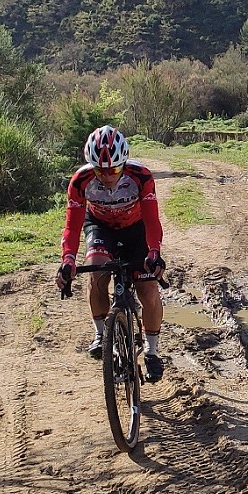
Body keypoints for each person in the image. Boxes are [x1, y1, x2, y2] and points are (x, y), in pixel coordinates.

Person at [54, 125, 167, 381]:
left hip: (136, 230)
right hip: (101, 227)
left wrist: (154, 252)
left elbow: (152, 220)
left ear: (123, 163)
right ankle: (101, 333)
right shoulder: (80, 181)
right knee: (96, 272)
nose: (106, 176)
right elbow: (72, 226)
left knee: (148, 289)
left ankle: (151, 351)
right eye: (100, 170)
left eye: (114, 169)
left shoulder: (140, 176)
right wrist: (67, 259)